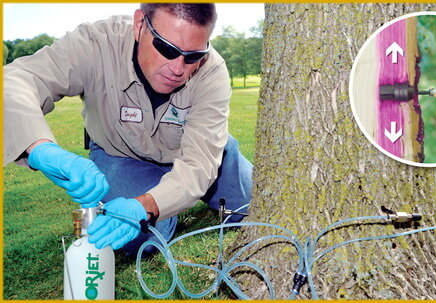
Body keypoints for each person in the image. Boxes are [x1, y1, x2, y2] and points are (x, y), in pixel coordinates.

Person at [3, 3, 252, 256]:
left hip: (201, 153)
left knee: (254, 207)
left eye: (193, 56)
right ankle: (165, 212)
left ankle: (173, 201)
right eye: (166, 48)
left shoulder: (213, 71)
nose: (178, 69)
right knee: (140, 241)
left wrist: (145, 205)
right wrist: (40, 149)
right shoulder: (95, 44)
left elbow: (199, 165)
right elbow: (15, 80)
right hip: (121, 153)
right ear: (140, 24)